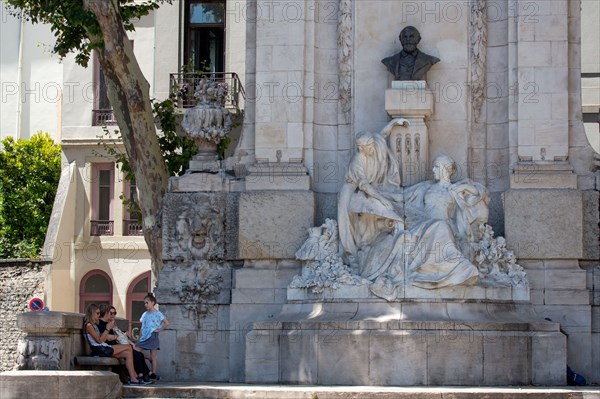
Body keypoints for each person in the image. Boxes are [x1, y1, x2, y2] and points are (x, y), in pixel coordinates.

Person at [360, 155, 488, 300]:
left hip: (445, 227)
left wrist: (463, 187)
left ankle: (450, 268)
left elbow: (480, 192)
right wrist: (376, 193)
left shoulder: (454, 190)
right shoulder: (426, 187)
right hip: (423, 225)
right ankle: (439, 269)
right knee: (432, 229)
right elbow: (401, 196)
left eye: (436, 167)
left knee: (441, 227)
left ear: (444, 169)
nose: (433, 170)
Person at [337, 131, 403, 271]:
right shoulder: (357, 161)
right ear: (362, 148)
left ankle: (365, 247)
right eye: (370, 145)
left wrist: (393, 124)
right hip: (349, 193)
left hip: (361, 192)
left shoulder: (370, 151)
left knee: (367, 217)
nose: (373, 147)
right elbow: (364, 185)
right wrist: (381, 198)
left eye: (373, 144)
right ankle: (352, 257)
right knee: (348, 229)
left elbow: (380, 136)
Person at [83, 304, 145, 385]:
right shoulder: (88, 325)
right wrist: (107, 329)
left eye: (99, 313)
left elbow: (101, 339)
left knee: (127, 353)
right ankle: (134, 377)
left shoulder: (93, 324)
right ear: (91, 313)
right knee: (128, 347)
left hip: (103, 348)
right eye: (97, 313)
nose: (99, 315)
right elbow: (100, 340)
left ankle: (133, 377)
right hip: (99, 350)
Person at [97, 304, 151, 382]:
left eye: (114, 313)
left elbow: (118, 334)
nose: (112, 315)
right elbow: (104, 338)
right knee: (131, 350)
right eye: (110, 313)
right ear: (106, 313)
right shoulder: (101, 323)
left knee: (131, 353)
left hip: (113, 346)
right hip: (106, 347)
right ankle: (136, 375)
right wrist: (114, 335)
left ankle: (134, 377)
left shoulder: (109, 323)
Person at [135, 293, 170, 381]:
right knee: (136, 352)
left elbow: (167, 323)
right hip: (144, 337)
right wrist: (139, 338)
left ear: (152, 302)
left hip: (153, 336)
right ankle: (140, 372)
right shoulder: (144, 314)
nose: (145, 305)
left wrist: (159, 330)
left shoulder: (158, 313)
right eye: (145, 303)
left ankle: (153, 373)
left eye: (147, 303)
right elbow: (142, 327)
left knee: (153, 356)